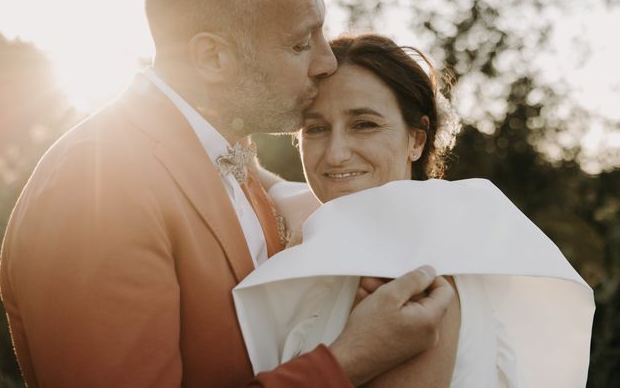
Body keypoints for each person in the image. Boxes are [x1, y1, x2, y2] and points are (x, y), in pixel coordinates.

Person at [0, 0, 454, 388]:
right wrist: (350, 359)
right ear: (213, 58)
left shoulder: (234, 164)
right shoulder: (96, 189)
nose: (327, 62)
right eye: (301, 43)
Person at [233, 34, 595, 387]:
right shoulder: (362, 232)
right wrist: (240, 153)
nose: (336, 153)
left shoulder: (414, 272)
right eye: (316, 129)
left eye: (365, 125)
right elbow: (287, 190)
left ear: (417, 140)